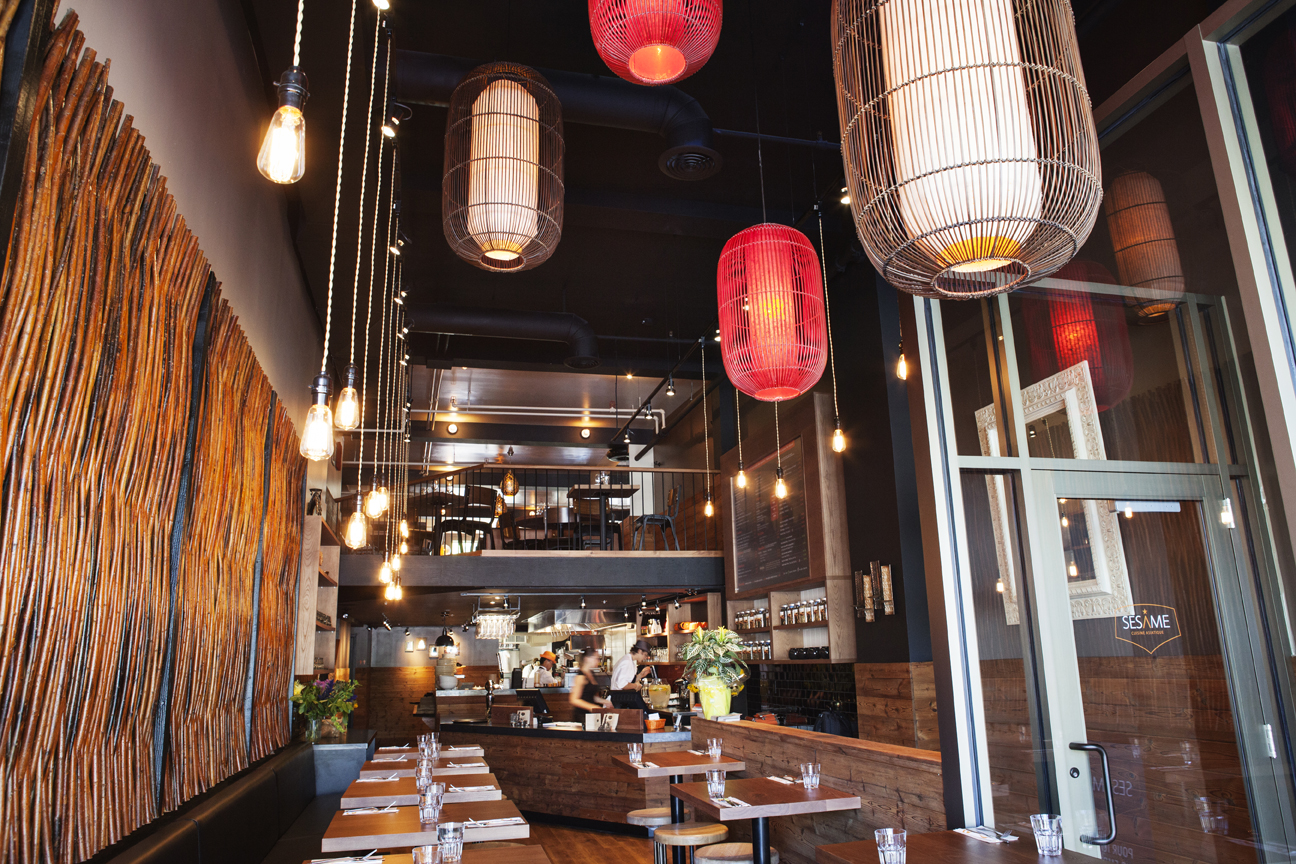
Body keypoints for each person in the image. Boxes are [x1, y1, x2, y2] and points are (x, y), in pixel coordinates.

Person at [569, 648, 609, 724]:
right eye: (596, 658)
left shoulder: (591, 673)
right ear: (587, 658)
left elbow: (589, 696)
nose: (598, 661)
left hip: (590, 716)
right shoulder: (581, 676)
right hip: (582, 716)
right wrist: (592, 707)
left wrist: (605, 702)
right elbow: (574, 699)